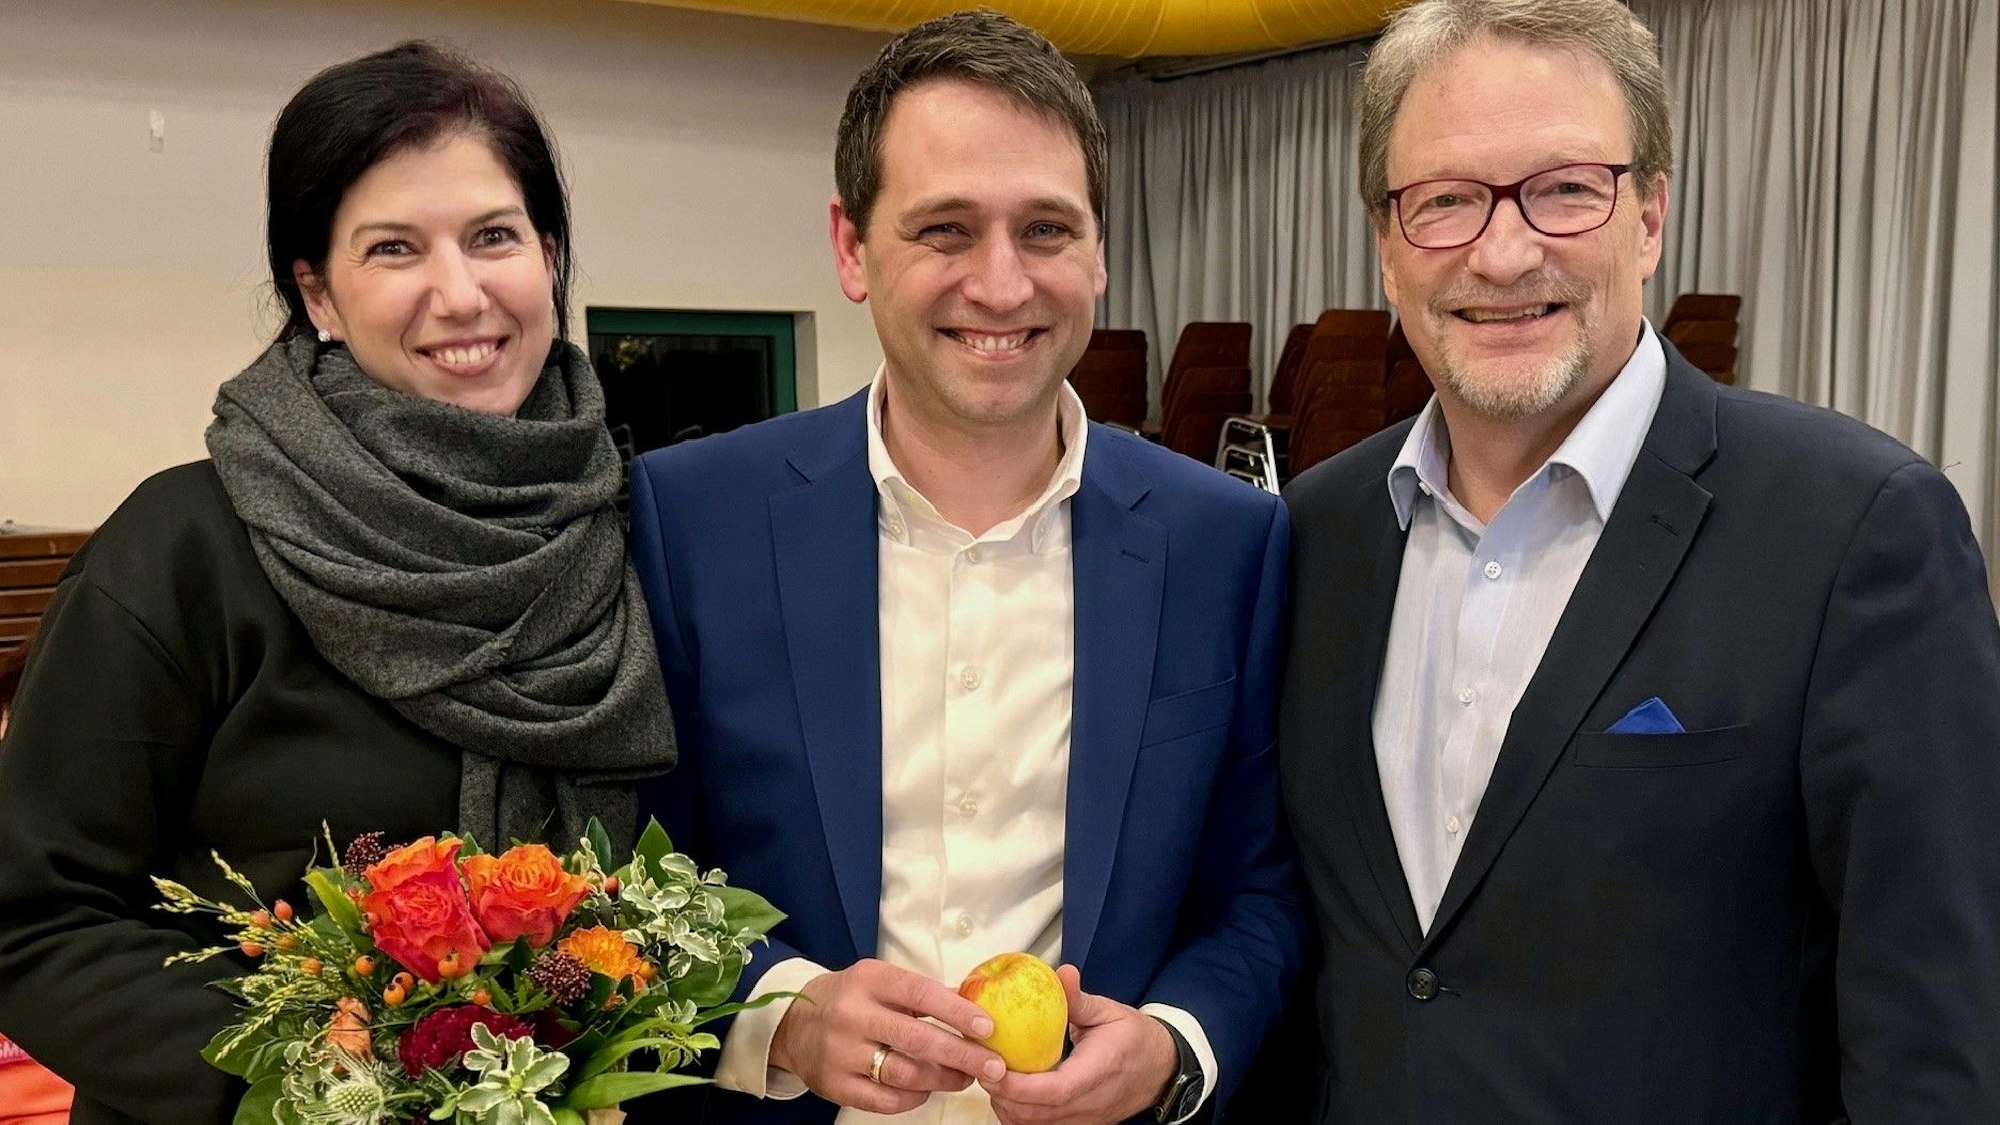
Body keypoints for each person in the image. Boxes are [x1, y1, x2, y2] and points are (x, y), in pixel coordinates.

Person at [1279, 0, 2000, 1119]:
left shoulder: (1856, 530)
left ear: (1651, 214)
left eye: (1565, 189)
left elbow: (1938, 1023)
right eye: (1445, 201)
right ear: (1385, 241)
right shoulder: (1314, 534)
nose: (1503, 251)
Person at [625, 11, 1303, 1125]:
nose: (1000, 285)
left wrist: (1174, 1048)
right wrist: (778, 1010)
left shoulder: (1228, 542)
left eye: (1044, 230)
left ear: (1097, 248)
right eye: (944, 229)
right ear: (851, 246)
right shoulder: (691, 520)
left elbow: (1264, 891)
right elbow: (634, 874)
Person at [0, 43, 674, 1125]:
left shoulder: (635, 527)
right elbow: (31, 915)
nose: (459, 294)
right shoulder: (185, 549)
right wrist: (321, 1074)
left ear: (549, 257)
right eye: (393, 248)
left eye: (494, 236)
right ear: (317, 290)